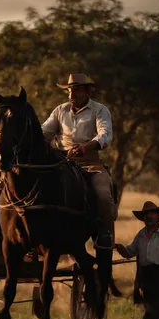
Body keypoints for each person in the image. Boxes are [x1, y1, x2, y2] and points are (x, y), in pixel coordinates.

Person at [41, 73, 117, 249]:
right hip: (60, 163)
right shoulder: (60, 110)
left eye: (76, 91)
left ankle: (104, 233)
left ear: (87, 91)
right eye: (69, 91)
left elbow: (105, 135)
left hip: (90, 163)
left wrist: (87, 147)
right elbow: (44, 132)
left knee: (104, 195)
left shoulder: (100, 110)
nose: (71, 95)